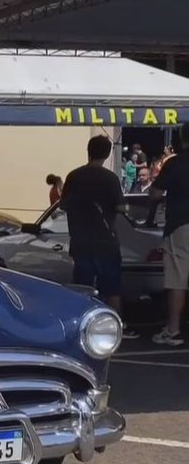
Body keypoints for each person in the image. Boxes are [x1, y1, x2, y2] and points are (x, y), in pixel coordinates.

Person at [61, 135, 138, 337]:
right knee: (112, 288)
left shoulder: (74, 176)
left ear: (88, 150)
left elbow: (63, 205)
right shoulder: (110, 178)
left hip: (81, 240)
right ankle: (117, 326)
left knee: (82, 287)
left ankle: (81, 326)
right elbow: (120, 207)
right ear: (107, 153)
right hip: (106, 241)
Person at [148, 122, 189, 346]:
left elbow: (154, 194)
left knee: (177, 281)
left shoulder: (175, 163)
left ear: (182, 139)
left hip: (180, 225)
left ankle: (173, 330)